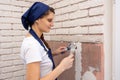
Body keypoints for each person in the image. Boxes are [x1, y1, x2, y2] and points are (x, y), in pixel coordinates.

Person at [20, 2, 74, 80]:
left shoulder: (36, 40)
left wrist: (54, 53)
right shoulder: (32, 45)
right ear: (37, 19)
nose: (52, 24)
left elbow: (39, 56)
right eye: (49, 20)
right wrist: (62, 67)